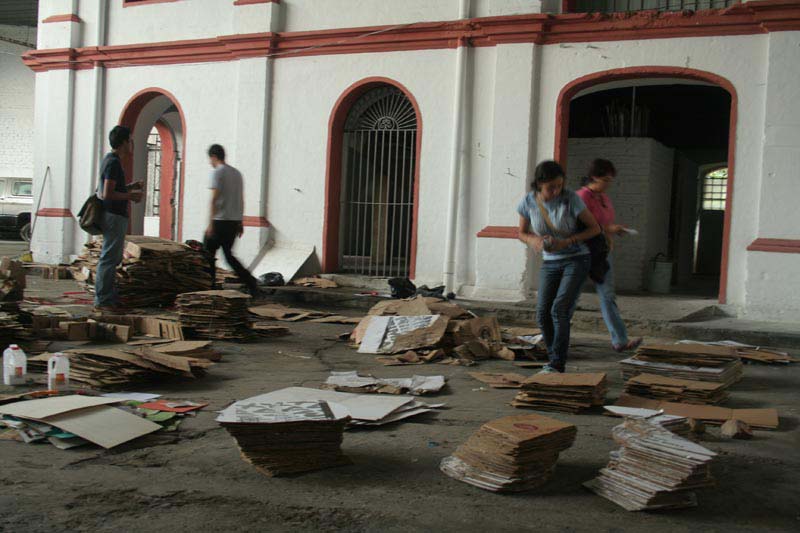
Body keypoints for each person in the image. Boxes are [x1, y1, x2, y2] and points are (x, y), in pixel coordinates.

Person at [517, 161, 601, 374]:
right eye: (551, 187)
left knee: (559, 309)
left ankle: (557, 363)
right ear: (538, 184)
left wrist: (568, 241)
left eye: (559, 186)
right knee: (542, 313)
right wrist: (533, 241)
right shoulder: (528, 201)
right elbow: (521, 233)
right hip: (550, 262)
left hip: (577, 259)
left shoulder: (571, 198)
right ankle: (555, 355)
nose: (556, 191)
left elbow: (594, 229)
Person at [576, 158, 642, 352]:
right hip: (581, 252)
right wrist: (607, 229)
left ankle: (620, 340)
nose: (608, 184)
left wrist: (612, 232)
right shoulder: (581, 197)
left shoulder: (603, 198)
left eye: (610, 180)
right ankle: (553, 338)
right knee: (570, 296)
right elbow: (580, 226)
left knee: (607, 296)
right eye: (605, 179)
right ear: (594, 177)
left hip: (601, 252)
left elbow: (604, 225)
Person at [94, 126, 143, 312]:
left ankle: (107, 296)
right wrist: (132, 196)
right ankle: (103, 299)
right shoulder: (113, 162)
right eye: (130, 140)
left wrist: (130, 186)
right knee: (108, 258)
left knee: (112, 258)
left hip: (113, 215)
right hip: (114, 216)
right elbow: (108, 194)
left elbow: (113, 189)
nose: (132, 144)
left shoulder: (110, 160)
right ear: (123, 142)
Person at [204, 144, 260, 296]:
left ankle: (208, 285)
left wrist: (210, 223)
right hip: (233, 222)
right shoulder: (237, 174)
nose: (210, 162)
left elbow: (214, 199)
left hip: (219, 220)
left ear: (214, 157)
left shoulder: (217, 173)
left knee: (207, 255)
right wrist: (240, 222)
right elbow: (241, 199)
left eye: (210, 159)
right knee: (229, 256)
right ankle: (250, 282)